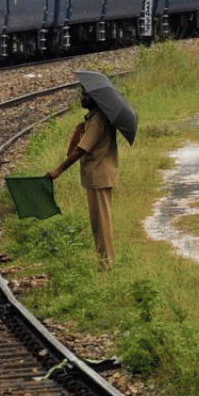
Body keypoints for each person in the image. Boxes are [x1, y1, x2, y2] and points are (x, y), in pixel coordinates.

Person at [46, 87, 120, 269]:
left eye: (86, 95)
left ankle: (106, 264)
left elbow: (80, 150)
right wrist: (80, 130)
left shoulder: (97, 120)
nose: (83, 98)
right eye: (82, 94)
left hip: (99, 175)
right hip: (98, 175)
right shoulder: (93, 119)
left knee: (101, 223)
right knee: (98, 222)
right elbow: (75, 146)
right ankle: (105, 261)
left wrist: (58, 170)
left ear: (95, 98)